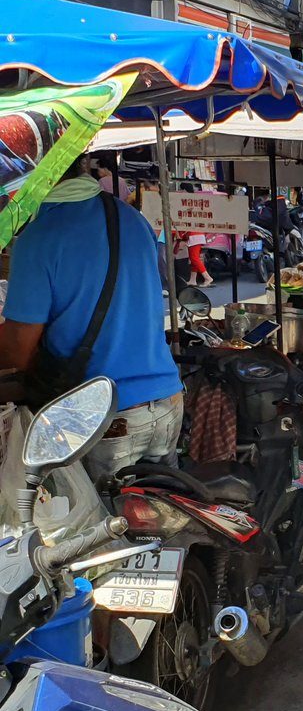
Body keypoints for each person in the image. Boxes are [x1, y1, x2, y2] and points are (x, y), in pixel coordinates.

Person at [0, 155, 183, 482]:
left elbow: (18, 350)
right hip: (167, 398)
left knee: (102, 528)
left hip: (105, 417)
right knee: (159, 523)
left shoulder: (39, 239)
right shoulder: (130, 217)